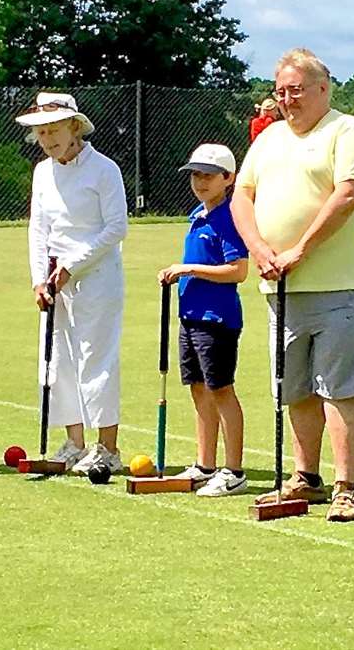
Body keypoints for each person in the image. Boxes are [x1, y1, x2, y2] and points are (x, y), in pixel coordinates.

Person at [231, 48, 354, 522]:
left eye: (297, 90)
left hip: (336, 285)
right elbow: (242, 195)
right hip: (279, 287)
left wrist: (301, 250)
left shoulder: (348, 132)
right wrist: (259, 249)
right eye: (281, 91)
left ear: (323, 88)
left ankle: (346, 487)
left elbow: (348, 195)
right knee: (294, 388)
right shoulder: (269, 138)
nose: (288, 100)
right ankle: (306, 478)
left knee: (339, 387)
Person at [20, 92, 129, 475]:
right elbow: (39, 230)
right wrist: (39, 280)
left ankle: (108, 448)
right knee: (59, 363)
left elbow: (117, 227)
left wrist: (72, 265)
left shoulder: (104, 170)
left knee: (96, 361)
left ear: (74, 127)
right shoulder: (42, 172)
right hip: (55, 281)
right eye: (41, 133)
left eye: (53, 130)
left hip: (97, 278)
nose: (47, 139)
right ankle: (75, 442)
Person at [157, 143, 249, 497]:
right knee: (198, 388)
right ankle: (205, 463)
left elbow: (238, 271)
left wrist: (187, 269)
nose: (200, 182)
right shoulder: (197, 214)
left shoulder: (228, 218)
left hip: (217, 319)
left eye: (208, 176)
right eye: (196, 175)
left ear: (229, 178)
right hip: (191, 316)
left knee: (221, 389)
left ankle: (235, 470)